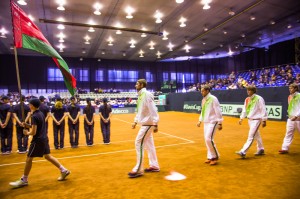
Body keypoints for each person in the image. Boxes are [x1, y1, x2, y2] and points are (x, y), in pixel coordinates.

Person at [9, 98, 70, 188]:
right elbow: (37, 126)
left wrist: (27, 133)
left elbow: (33, 132)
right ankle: (63, 170)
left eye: (29, 104)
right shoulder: (40, 113)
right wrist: (27, 125)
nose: (29, 106)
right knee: (48, 156)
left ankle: (24, 179)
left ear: (32, 106)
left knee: (29, 159)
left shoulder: (34, 116)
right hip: (44, 138)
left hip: (37, 140)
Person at [128, 79, 160, 178]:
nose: (135, 85)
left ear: (141, 85)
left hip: (148, 124)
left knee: (138, 142)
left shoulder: (146, 94)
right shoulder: (141, 95)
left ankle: (139, 169)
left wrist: (155, 123)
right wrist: (135, 121)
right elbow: (140, 110)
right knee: (149, 145)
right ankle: (154, 165)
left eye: (137, 84)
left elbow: (153, 109)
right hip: (145, 123)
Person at [236, 85, 267, 158]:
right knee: (256, 135)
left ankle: (243, 151)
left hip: (256, 120)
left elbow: (263, 109)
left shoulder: (259, 98)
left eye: (250, 90)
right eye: (247, 90)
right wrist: (241, 118)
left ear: (254, 91)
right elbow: (244, 109)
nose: (248, 91)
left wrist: (264, 120)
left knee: (251, 136)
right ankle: (261, 149)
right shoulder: (247, 99)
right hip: (250, 120)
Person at [197, 85, 223, 165]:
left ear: (207, 90)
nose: (202, 92)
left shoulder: (213, 99)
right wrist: (200, 120)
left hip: (213, 121)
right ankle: (210, 156)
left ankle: (215, 156)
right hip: (206, 122)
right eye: (201, 91)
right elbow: (203, 111)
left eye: (203, 91)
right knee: (207, 139)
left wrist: (220, 122)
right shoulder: (203, 100)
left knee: (209, 139)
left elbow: (218, 110)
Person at [279, 83, 300, 154]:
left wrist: (296, 116)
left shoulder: (299, 96)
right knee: (288, 133)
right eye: (289, 88)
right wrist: (290, 115)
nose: (289, 89)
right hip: (290, 118)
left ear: (296, 89)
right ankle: (284, 148)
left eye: (291, 88)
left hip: (298, 118)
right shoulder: (289, 97)